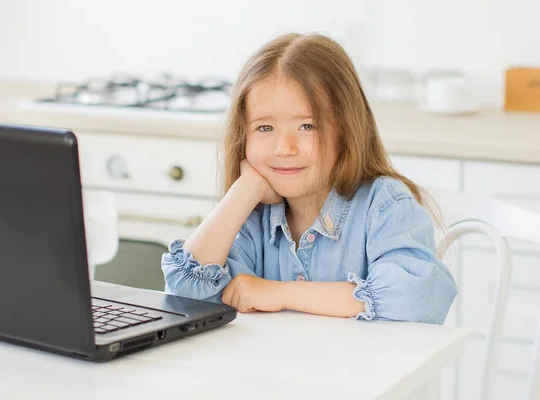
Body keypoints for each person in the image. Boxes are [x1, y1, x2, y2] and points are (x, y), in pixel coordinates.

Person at [161, 32, 457, 324]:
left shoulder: (385, 206)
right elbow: (185, 298)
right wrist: (245, 189)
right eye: (265, 128)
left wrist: (281, 293)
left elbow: (414, 299)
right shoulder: (254, 219)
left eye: (306, 126)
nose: (284, 148)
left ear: (347, 129)